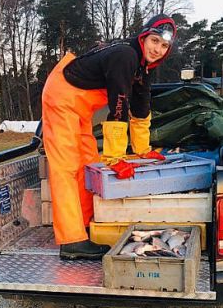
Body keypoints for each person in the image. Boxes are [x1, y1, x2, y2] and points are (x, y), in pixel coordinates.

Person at [41, 14, 177, 260]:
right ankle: (71, 241)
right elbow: (119, 106)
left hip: (80, 107)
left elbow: (141, 108)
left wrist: (143, 149)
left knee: (88, 163)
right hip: (61, 97)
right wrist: (115, 157)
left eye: (164, 46)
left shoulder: (143, 67)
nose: (157, 49)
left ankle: (82, 227)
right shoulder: (126, 56)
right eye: (154, 41)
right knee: (66, 167)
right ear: (144, 38)